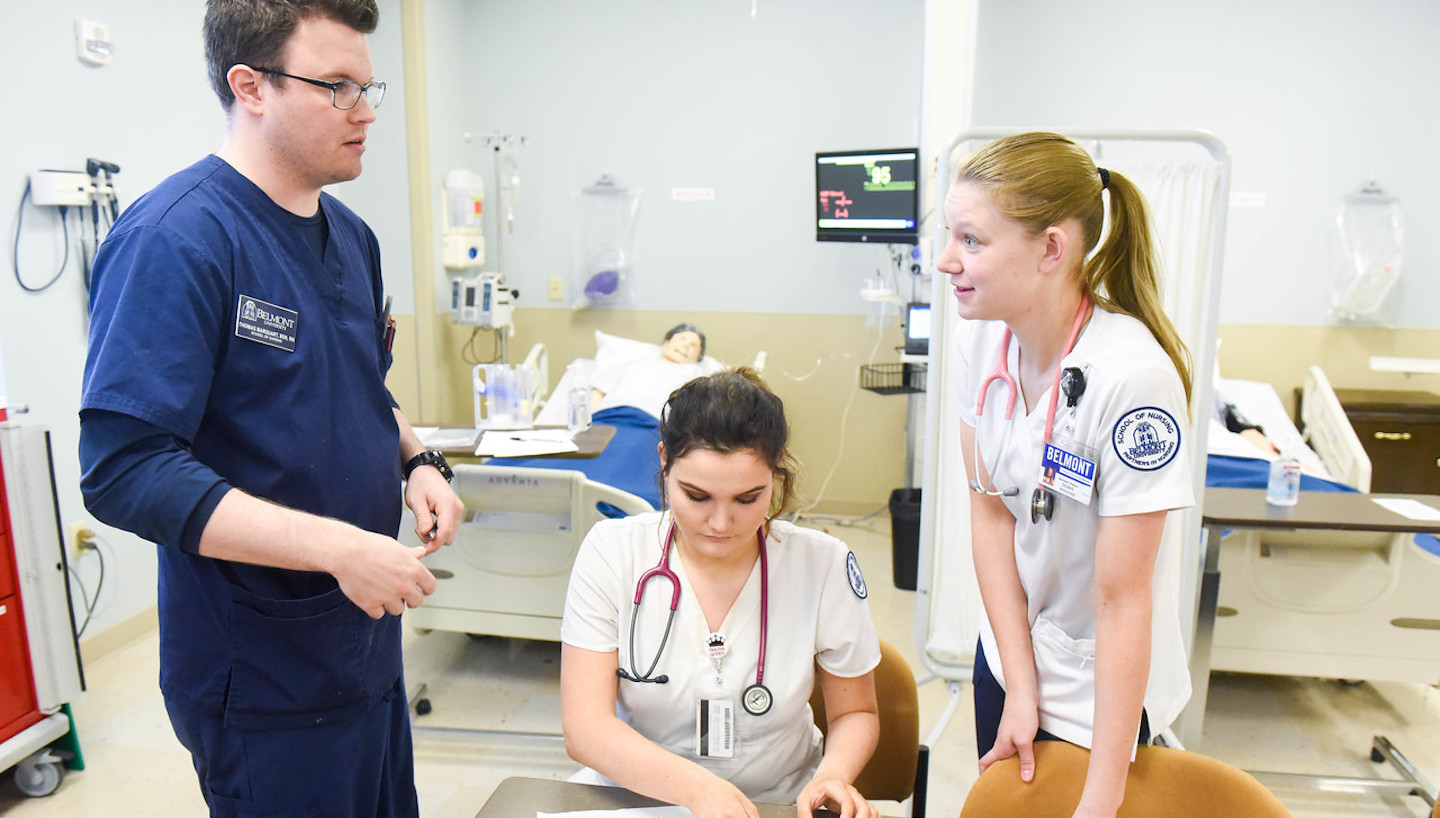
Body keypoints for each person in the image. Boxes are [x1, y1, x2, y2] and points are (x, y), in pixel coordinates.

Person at [76, 2, 463, 814]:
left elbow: (354, 387)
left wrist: (417, 461)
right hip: (261, 669)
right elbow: (124, 471)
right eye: (337, 89)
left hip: (360, 641)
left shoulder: (351, 238)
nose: (366, 114)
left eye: (369, 87)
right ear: (249, 86)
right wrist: (337, 547)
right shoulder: (177, 241)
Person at [940, 132, 1195, 817]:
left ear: (1051, 249)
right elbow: (990, 513)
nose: (946, 261)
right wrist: (1019, 685)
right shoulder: (981, 339)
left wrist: (1102, 798)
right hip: (1009, 651)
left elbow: (1122, 602)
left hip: (1102, 687)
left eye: (971, 240)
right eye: (949, 235)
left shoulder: (1132, 382)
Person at [560, 368, 882, 818]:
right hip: (638, 800)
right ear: (664, 463)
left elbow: (856, 714)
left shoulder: (821, 565)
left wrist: (833, 775)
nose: (720, 523)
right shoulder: (613, 552)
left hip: (780, 802)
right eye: (696, 496)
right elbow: (585, 727)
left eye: (748, 499)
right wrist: (697, 790)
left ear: (776, 472)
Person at [589, 323, 710, 418]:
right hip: (608, 414)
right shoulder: (636, 363)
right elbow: (598, 391)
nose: (685, 345)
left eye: (693, 345)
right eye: (682, 338)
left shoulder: (695, 375)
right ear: (668, 341)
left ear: (698, 357)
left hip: (652, 421)